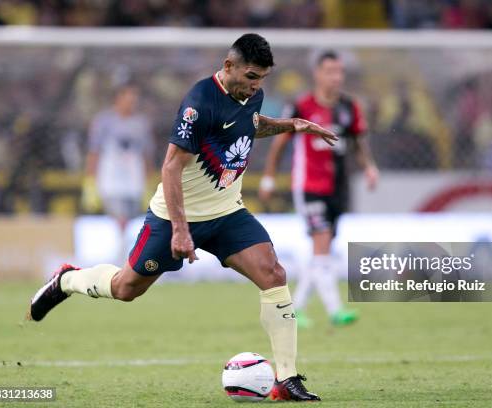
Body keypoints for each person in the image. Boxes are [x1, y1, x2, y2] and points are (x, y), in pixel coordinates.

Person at [28, 33, 337, 402]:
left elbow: (250, 123)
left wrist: (290, 125)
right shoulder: (199, 103)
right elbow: (171, 168)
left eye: (263, 79)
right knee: (126, 288)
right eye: (252, 76)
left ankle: (286, 380)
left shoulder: (251, 94)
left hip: (226, 212)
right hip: (175, 216)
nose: (257, 85)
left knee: (273, 274)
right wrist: (179, 230)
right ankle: (67, 280)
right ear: (228, 67)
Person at [258, 50, 379, 328]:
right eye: (330, 71)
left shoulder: (350, 107)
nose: (336, 77)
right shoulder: (301, 106)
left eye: (339, 72)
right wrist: (268, 177)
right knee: (322, 242)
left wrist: (369, 167)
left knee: (321, 252)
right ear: (317, 73)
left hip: (338, 187)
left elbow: (359, 143)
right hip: (309, 186)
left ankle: (295, 309)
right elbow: (279, 143)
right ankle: (335, 311)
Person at [82, 82, 154, 259]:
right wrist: (90, 182)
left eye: (135, 98)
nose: (132, 102)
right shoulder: (103, 122)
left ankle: (128, 253)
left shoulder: (141, 124)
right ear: (118, 98)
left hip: (134, 181)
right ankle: (121, 256)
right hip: (110, 180)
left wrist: (149, 182)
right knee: (118, 217)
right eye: (129, 97)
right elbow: (94, 151)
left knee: (130, 220)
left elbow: (146, 154)